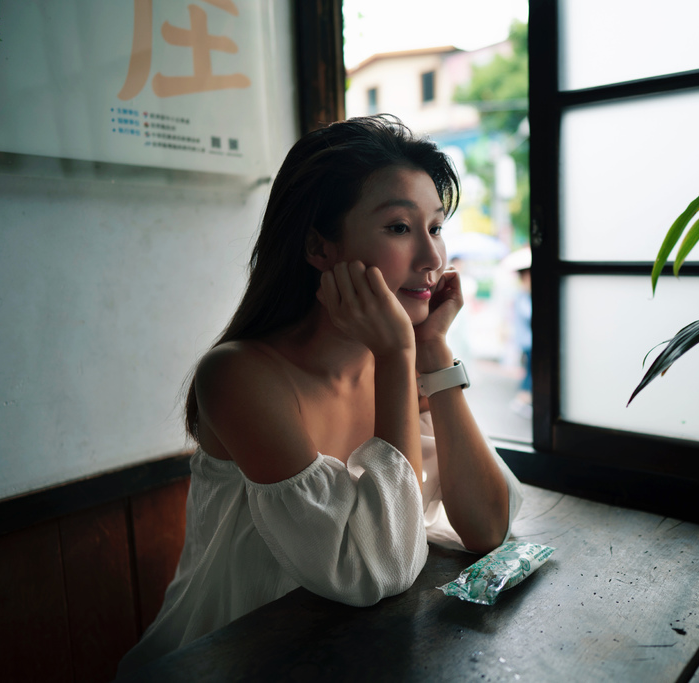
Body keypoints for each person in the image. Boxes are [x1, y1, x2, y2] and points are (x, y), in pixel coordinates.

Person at [117, 116, 523, 675]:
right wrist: (398, 356)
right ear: (318, 244)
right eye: (400, 228)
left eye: (435, 227)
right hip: (225, 662)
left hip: (353, 657)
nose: (431, 259)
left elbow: (487, 527)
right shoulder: (240, 376)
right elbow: (379, 570)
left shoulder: (402, 360)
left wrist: (430, 350)